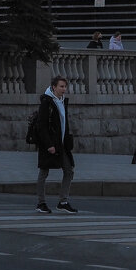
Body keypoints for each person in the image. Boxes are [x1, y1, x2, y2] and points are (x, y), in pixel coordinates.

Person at [35, 75, 77, 214]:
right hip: (50, 144)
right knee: (44, 172)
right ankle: (41, 203)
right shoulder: (47, 102)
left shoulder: (62, 101)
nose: (64, 89)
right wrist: (49, 144)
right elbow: (41, 126)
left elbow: (64, 123)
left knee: (69, 170)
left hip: (61, 144)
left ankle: (63, 202)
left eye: (65, 86)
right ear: (54, 87)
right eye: (61, 86)